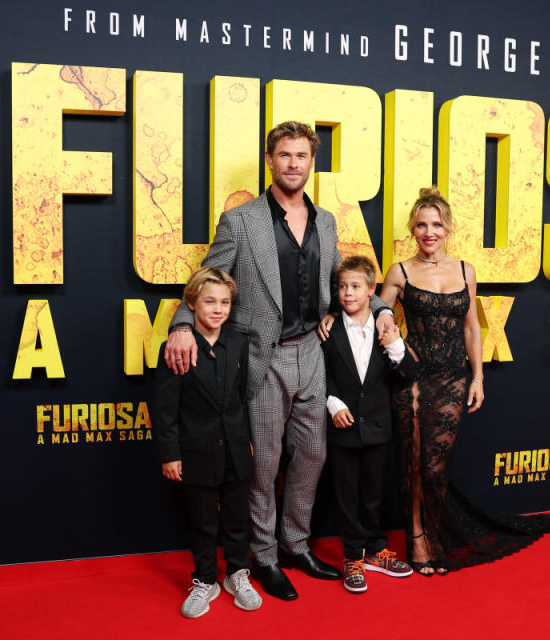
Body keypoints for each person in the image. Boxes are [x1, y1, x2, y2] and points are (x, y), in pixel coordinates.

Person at [164, 121, 396, 601]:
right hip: (261, 357)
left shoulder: (326, 220)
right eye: (285, 155)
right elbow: (207, 276)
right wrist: (182, 324)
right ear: (270, 160)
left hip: (312, 350)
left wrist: (383, 309)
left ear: (312, 162)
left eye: (302, 156)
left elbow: (346, 282)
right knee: (264, 465)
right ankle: (264, 557)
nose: (294, 163)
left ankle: (295, 545)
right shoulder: (242, 221)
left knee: (313, 456)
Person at [379, 187, 550, 576]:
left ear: (448, 228)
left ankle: (435, 535)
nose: (429, 232)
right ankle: (418, 541)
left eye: (436, 224)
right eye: (421, 225)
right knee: (412, 464)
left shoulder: (466, 270)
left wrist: (478, 377)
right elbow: (377, 310)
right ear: (412, 230)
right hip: (411, 379)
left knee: (435, 467)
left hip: (453, 376)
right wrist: (367, 314)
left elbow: (472, 328)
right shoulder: (400, 271)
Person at [153, 267, 262, 618]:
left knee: (236, 516)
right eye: (210, 301)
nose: (218, 309)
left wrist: (246, 440)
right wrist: (170, 454)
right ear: (193, 303)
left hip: (235, 445)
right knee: (202, 520)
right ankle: (204, 580)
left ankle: (237, 574)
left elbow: (242, 399)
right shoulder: (177, 347)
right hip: (195, 449)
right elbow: (165, 408)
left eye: (225, 302)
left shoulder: (239, 342)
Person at [321, 256, 417, 593]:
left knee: (374, 493)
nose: (347, 293)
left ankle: (376, 550)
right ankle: (352, 556)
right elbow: (321, 377)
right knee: (346, 495)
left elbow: (406, 374)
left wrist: (394, 344)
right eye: (342, 287)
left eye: (356, 286)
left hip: (377, 426)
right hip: (342, 427)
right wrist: (332, 404)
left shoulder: (385, 326)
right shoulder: (328, 330)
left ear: (371, 290)